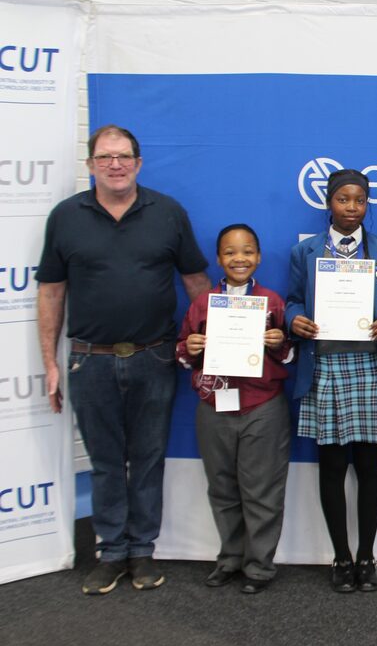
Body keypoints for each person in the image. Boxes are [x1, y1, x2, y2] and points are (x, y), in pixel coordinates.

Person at [36, 124, 210, 595]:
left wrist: (212, 343)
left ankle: (142, 551)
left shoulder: (168, 213)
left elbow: (196, 284)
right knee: (106, 462)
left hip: (154, 358)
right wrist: (50, 363)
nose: (115, 164)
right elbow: (51, 292)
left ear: (138, 162)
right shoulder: (66, 217)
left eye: (124, 156)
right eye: (105, 157)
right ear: (90, 164)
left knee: (149, 458)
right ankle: (111, 550)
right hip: (88, 362)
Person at [286, 168, 377, 594]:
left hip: (370, 367)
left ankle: (366, 555)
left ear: (367, 204)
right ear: (329, 203)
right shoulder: (305, 253)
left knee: (370, 467)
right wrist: (291, 318)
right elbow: (293, 300)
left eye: (359, 201)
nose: (351, 208)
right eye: (343, 200)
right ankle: (340, 556)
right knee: (333, 467)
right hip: (324, 368)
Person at [176, 223, 294, 595]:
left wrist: (278, 342)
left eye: (246, 252)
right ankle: (229, 558)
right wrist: (190, 348)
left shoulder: (273, 302)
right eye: (230, 252)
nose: (239, 259)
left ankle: (258, 567)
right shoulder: (203, 303)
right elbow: (181, 354)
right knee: (222, 487)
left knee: (262, 490)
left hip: (261, 406)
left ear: (258, 257)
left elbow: (291, 356)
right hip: (214, 407)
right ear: (218, 259)